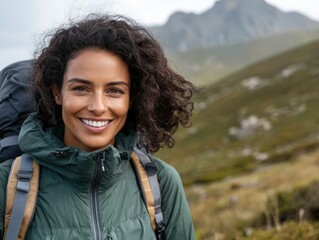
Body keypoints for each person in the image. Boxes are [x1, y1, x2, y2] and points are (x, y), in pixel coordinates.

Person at [0, 13, 196, 239]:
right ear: (57, 92)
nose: (98, 106)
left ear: (131, 99)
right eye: (81, 89)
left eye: (115, 91)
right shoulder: (6, 185)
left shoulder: (162, 182)